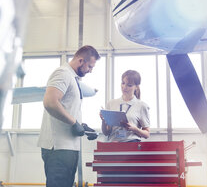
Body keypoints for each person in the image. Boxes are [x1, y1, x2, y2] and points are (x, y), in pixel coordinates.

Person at [37, 45, 100, 187]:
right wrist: (74, 123)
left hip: (67, 147)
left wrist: (82, 126)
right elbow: (50, 102)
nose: (90, 71)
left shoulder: (73, 78)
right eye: (89, 66)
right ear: (80, 60)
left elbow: (67, 109)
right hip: (58, 148)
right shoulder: (63, 73)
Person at [101, 70, 150, 142]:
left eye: (129, 85)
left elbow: (147, 134)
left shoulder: (142, 106)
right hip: (113, 144)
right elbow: (106, 133)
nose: (124, 87)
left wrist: (134, 129)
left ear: (136, 87)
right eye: (123, 83)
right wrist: (103, 120)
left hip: (132, 144)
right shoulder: (111, 103)